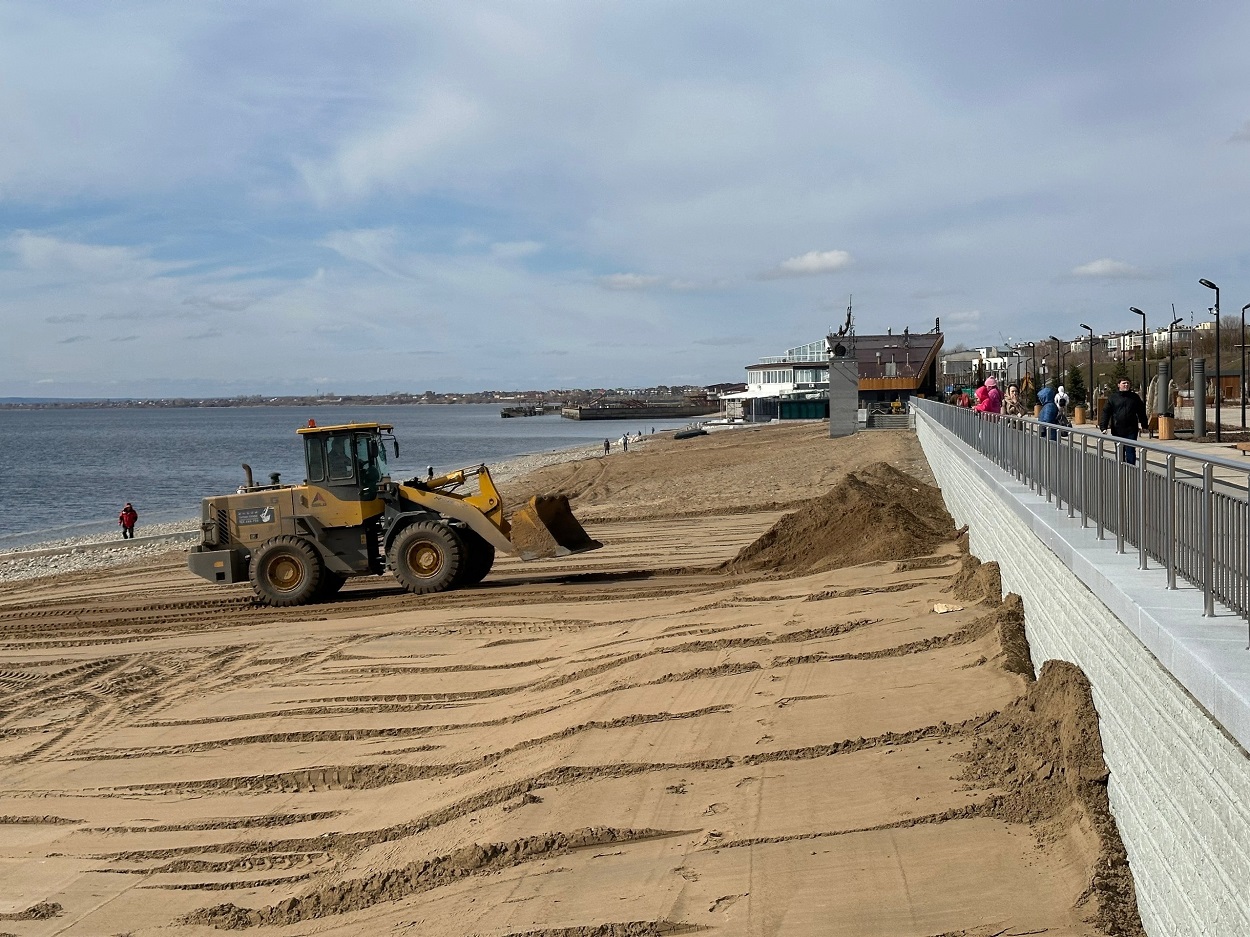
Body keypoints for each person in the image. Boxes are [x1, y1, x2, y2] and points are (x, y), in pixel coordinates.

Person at [1099, 378, 1149, 464]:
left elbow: (1141, 411)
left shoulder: (1134, 397)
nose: (1126, 385)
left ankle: (1131, 470)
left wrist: (1144, 425)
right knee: (1119, 451)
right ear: (1119, 385)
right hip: (1117, 429)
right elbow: (1106, 412)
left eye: (1128, 383)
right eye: (1124, 383)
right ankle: (1120, 469)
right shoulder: (1113, 398)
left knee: (1131, 451)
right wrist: (1103, 427)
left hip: (1131, 429)